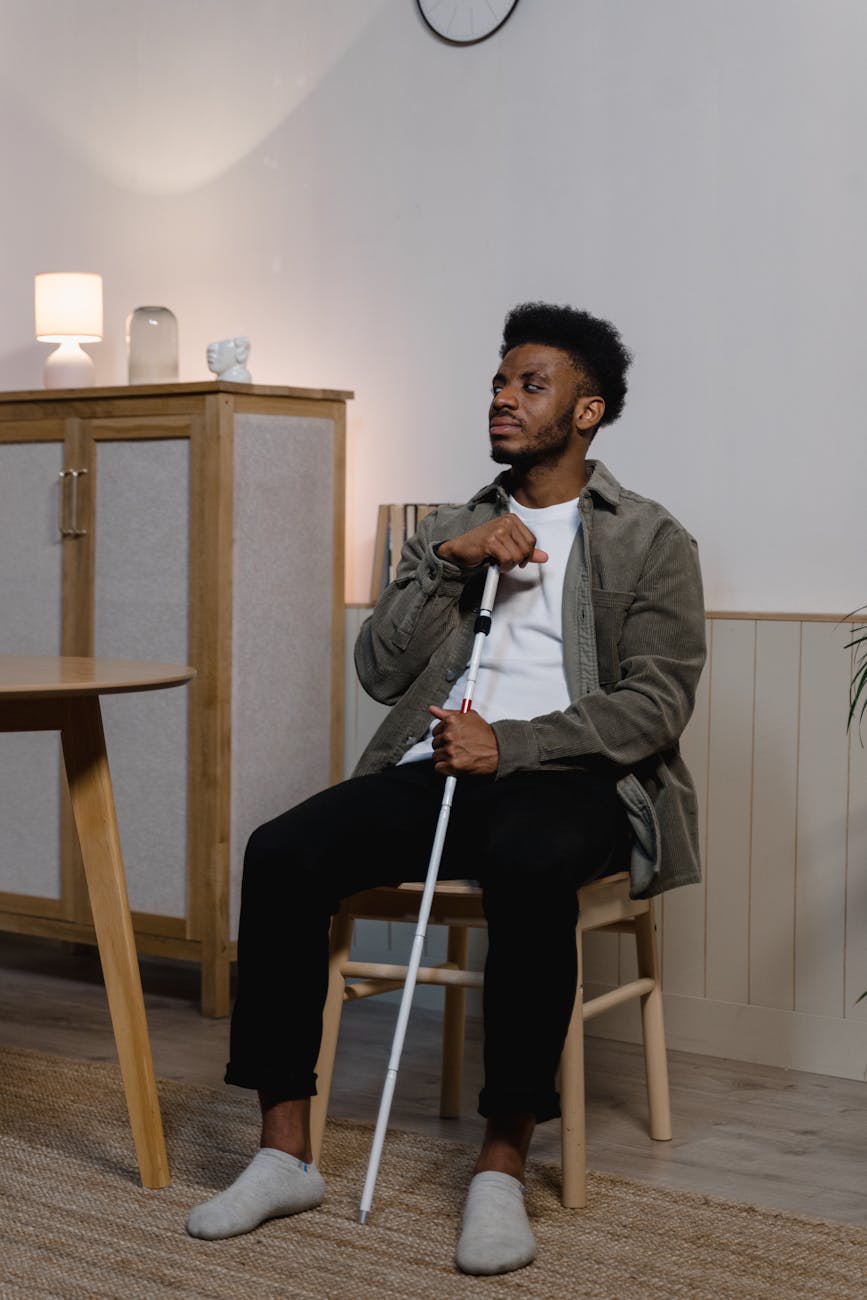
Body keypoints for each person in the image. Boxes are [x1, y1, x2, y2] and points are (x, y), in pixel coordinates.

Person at [186, 301, 707, 1277]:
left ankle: (502, 1165)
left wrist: (507, 745)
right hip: (442, 769)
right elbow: (381, 670)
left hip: (576, 782)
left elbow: (655, 707)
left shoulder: (650, 540)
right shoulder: (458, 525)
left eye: (530, 384)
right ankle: (282, 1153)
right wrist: (442, 560)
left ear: (587, 411)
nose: (503, 399)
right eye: (500, 383)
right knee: (280, 851)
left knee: (528, 856)